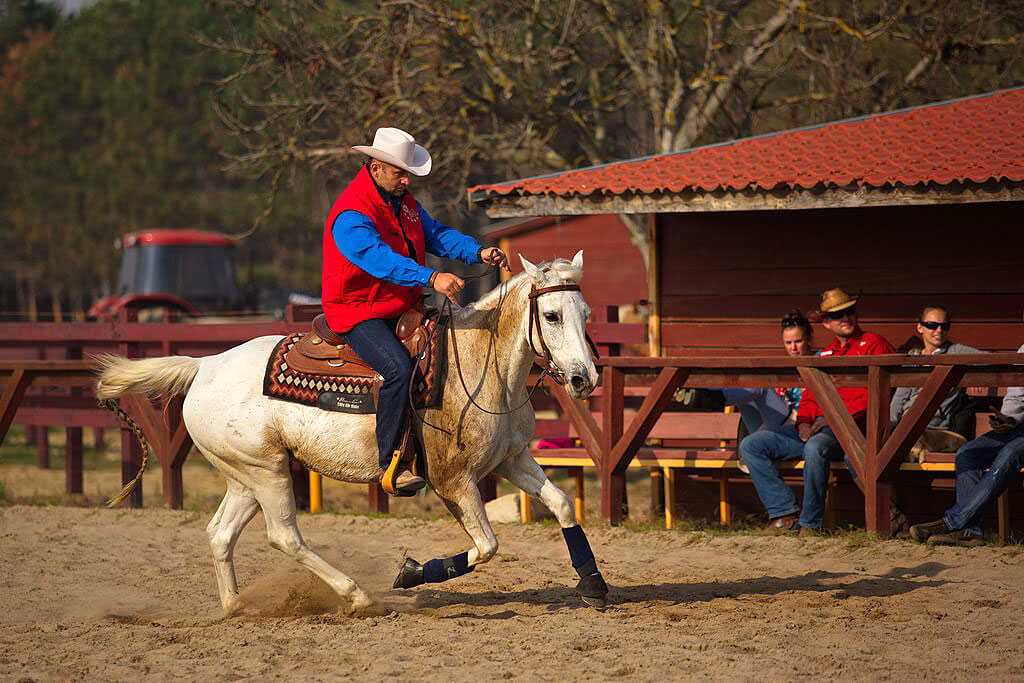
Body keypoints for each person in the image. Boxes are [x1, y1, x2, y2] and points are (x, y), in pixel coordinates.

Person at [323, 127, 510, 495]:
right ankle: (391, 462)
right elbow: (380, 261)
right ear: (376, 168)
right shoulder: (351, 214)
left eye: (408, 172)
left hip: (400, 303)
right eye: (399, 172)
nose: (406, 179)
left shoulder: (404, 201)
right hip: (357, 310)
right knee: (398, 370)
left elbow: (435, 234)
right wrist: (433, 276)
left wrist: (477, 252)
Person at [739, 288, 896, 534]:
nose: (845, 319)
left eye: (849, 312)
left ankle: (811, 525)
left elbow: (878, 395)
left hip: (854, 430)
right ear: (826, 323)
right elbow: (811, 395)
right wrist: (802, 422)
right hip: (821, 429)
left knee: (814, 447)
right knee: (751, 445)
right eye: (837, 316)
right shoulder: (826, 354)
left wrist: (831, 420)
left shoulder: (874, 343)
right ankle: (784, 515)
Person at [910, 340, 1024, 547]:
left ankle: (952, 522)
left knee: (1010, 453)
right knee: (968, 453)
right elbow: (1017, 397)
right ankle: (971, 531)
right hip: (1019, 427)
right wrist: (1007, 420)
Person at [676, 309, 814, 433]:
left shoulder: (820, 361)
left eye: (798, 341)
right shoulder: (784, 367)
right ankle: (705, 392)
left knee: (759, 386)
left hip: (799, 424)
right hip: (773, 423)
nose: (793, 348)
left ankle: (712, 398)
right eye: (788, 343)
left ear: (808, 339)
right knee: (746, 392)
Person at [890, 305, 981, 437]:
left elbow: (993, 360)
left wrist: (977, 374)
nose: (939, 330)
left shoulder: (956, 352)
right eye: (932, 325)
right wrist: (888, 429)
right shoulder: (913, 358)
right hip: (905, 428)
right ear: (920, 328)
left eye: (945, 326)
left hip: (936, 431)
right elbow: (899, 400)